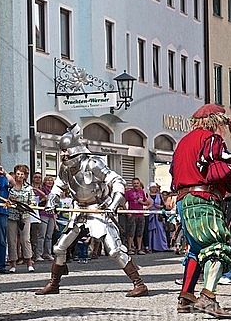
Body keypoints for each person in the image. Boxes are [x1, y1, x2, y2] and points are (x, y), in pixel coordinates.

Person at [36, 124, 148, 297]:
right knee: (59, 248)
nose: (63, 154)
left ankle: (139, 284)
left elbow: (117, 181)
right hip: (79, 210)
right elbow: (58, 187)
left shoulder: (93, 163)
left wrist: (113, 205)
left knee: (114, 250)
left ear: (75, 150)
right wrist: (51, 200)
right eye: (63, 151)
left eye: (66, 151)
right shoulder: (65, 168)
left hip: (98, 209)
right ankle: (54, 283)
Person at [171, 103, 231, 319]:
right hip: (203, 199)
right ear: (215, 122)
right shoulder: (210, 139)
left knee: (197, 249)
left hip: (183, 199)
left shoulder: (182, 143)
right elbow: (219, 170)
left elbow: (174, 172)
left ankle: (186, 296)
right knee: (218, 245)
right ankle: (208, 297)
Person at [7, 164, 36, 273]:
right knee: (12, 240)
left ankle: (29, 262)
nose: (19, 176)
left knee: (25, 240)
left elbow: (32, 201)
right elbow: (5, 199)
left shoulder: (29, 188)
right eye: (17, 173)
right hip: (11, 216)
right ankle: (13, 264)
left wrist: (29, 206)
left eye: (21, 174)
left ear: (25, 176)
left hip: (24, 216)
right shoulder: (10, 187)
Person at [124, 177, 150, 255]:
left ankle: (139, 249)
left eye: (137, 183)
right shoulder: (128, 192)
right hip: (132, 215)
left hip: (141, 214)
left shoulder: (142, 192)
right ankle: (129, 248)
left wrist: (142, 203)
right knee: (130, 233)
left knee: (140, 232)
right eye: (134, 183)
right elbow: (122, 203)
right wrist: (127, 212)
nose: (136, 185)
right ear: (132, 184)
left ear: (139, 184)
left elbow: (148, 203)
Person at [146, 182, 169, 252]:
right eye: (152, 187)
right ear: (149, 188)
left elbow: (164, 206)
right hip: (150, 215)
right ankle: (151, 247)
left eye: (155, 187)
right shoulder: (147, 195)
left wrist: (160, 207)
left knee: (160, 231)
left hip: (158, 216)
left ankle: (162, 246)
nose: (154, 189)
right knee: (150, 231)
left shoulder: (159, 196)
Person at [38, 175, 56, 261]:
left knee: (49, 235)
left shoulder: (54, 191)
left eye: (51, 180)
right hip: (43, 213)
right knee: (42, 235)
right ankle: (39, 253)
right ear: (45, 182)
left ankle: (48, 253)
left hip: (51, 215)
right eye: (48, 180)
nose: (50, 182)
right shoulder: (42, 189)